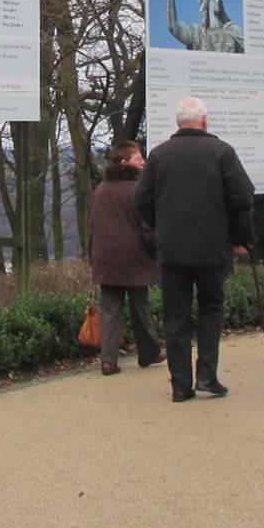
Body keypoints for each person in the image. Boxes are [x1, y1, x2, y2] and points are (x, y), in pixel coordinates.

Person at [134, 97, 255, 402]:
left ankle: (180, 384)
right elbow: (242, 197)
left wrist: (161, 227)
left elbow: (141, 202)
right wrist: (240, 237)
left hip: (172, 249)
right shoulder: (221, 152)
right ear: (204, 121)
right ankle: (207, 376)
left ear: (179, 123)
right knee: (211, 308)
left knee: (176, 315)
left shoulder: (159, 156)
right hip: (212, 248)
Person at [88, 140, 165, 376]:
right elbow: (147, 226)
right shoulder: (138, 189)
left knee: (111, 308)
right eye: (137, 157)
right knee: (140, 304)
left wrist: (93, 256)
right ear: (125, 162)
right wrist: (157, 248)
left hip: (106, 258)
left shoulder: (101, 189)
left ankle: (108, 360)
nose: (142, 160)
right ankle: (149, 351)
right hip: (135, 257)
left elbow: (93, 227)